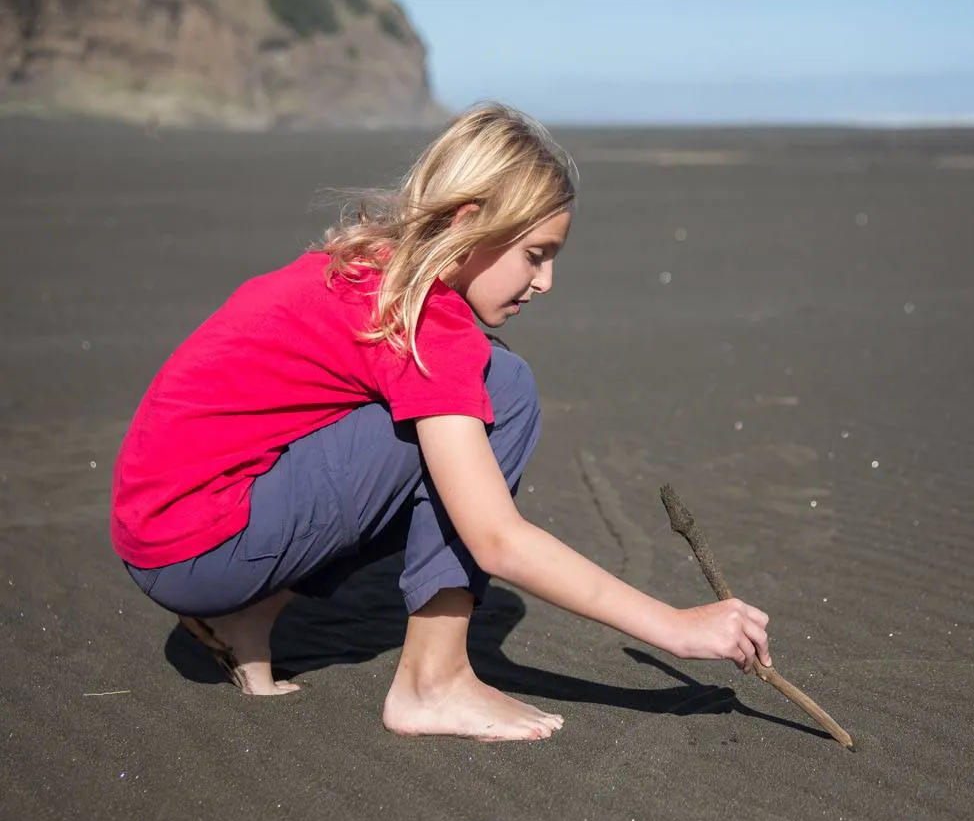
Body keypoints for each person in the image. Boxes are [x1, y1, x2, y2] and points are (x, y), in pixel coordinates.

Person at [110, 102, 771, 742]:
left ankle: (246, 618)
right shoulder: (427, 322)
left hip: (160, 529)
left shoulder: (366, 271)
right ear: (468, 221)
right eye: (536, 253)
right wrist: (678, 627)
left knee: (459, 411)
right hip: (198, 545)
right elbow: (496, 541)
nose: (546, 282)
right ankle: (434, 678)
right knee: (501, 387)